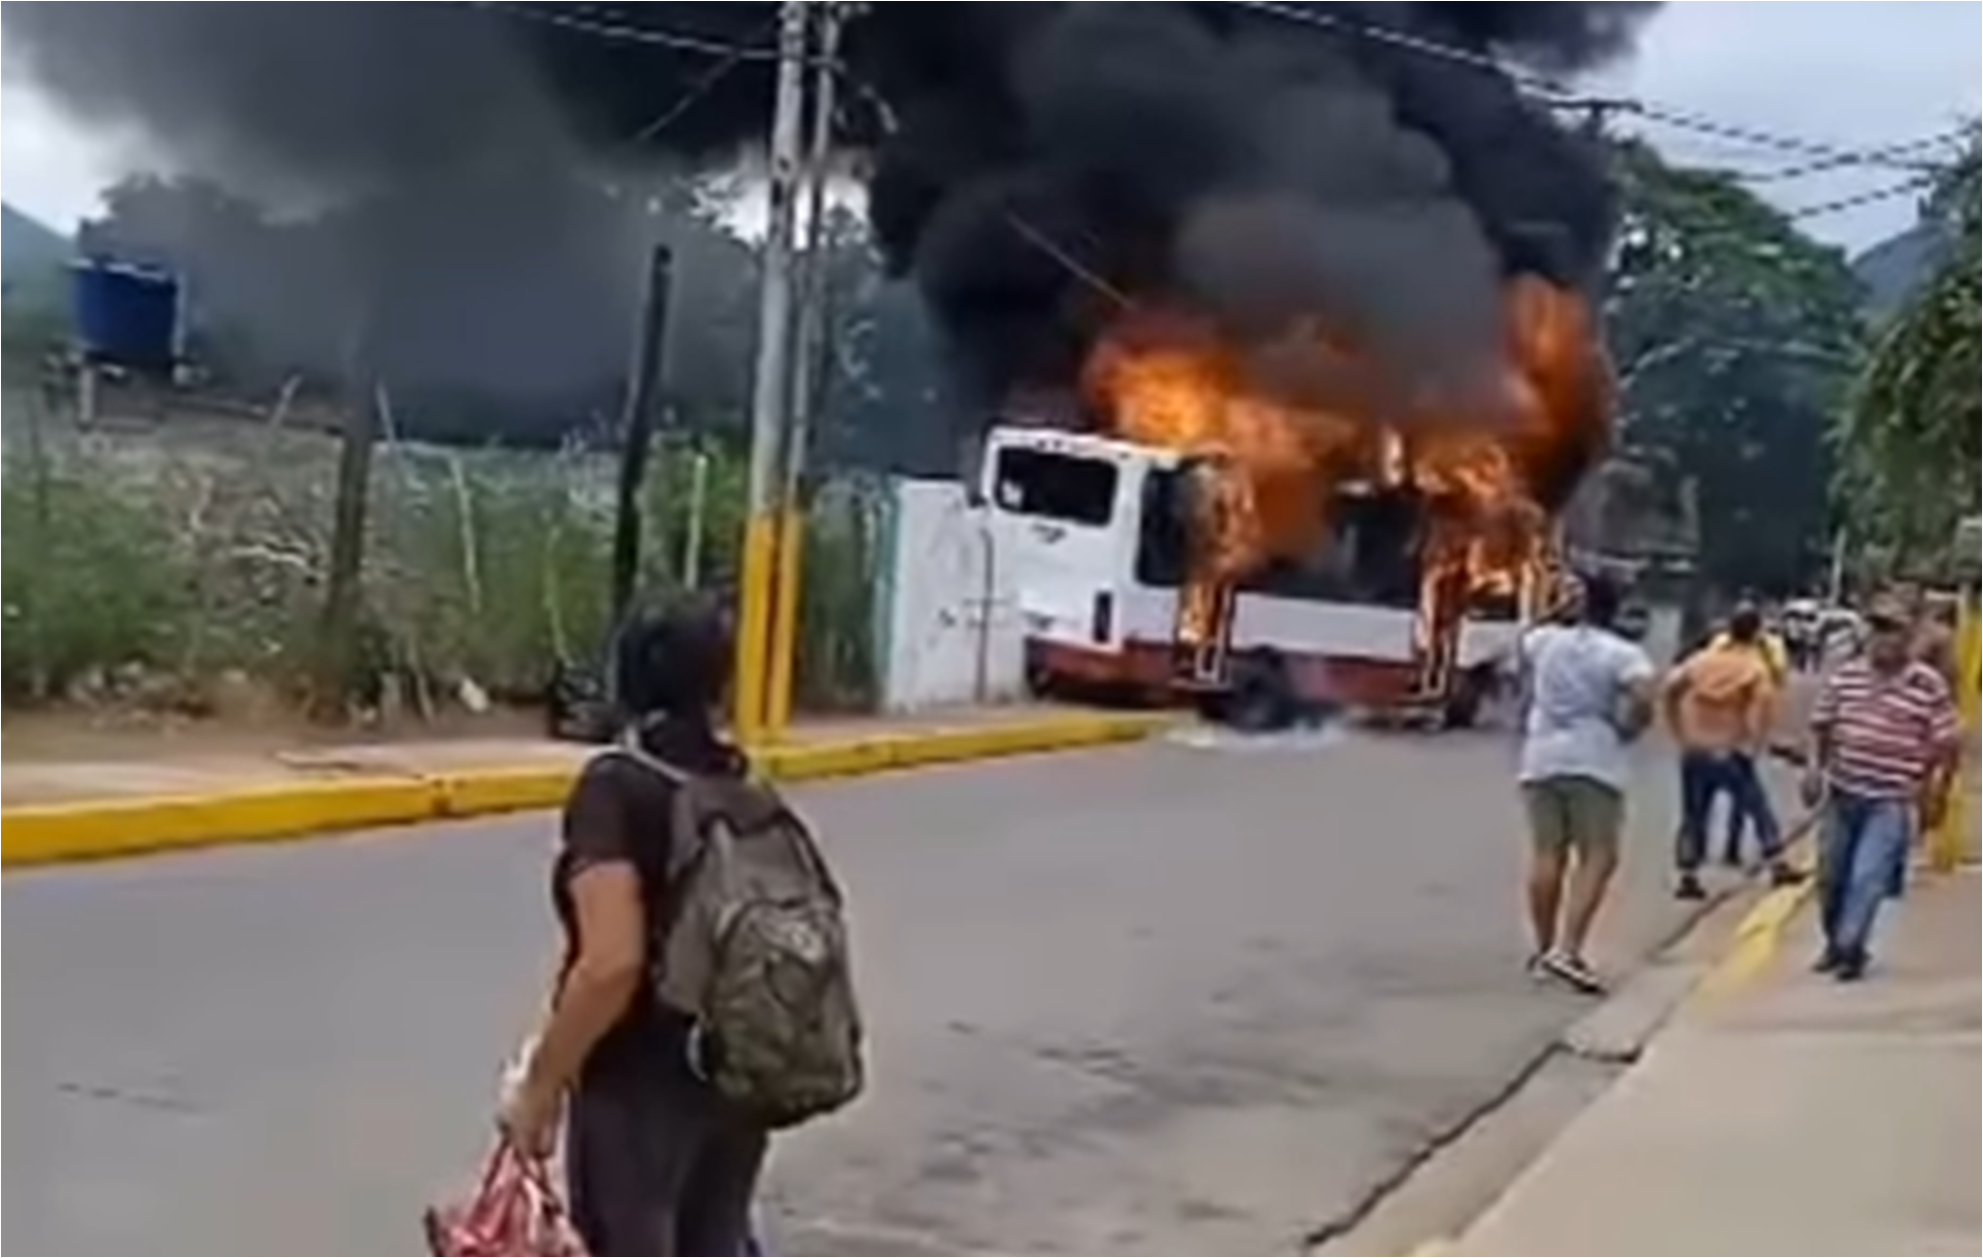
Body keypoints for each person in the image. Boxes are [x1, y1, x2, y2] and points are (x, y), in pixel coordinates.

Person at [500, 605, 768, 1254]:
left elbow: (610, 964)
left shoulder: (617, 786)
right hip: (734, 1079)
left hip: (639, 1087)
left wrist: (541, 1085)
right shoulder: (742, 786)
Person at [1803, 595, 1961, 982]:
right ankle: (1835, 942)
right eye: (1878, 629)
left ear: (1908, 638)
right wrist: (1813, 769)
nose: (1883, 639)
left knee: (1867, 877)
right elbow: (1821, 726)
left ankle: (1852, 947)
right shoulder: (1847, 677)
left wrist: (1937, 791)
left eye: (1892, 630)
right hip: (1843, 792)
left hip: (1889, 799)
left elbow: (1948, 742)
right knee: (1831, 877)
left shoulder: (1926, 685)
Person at [1516, 572, 1659, 994]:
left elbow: (1524, 639)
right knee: (1598, 855)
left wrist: (1556, 611)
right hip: (1594, 758)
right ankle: (1569, 947)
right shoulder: (1622, 653)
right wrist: (1630, 728)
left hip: (1541, 758)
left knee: (1547, 854)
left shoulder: (1546, 642)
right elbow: (1646, 696)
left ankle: (1543, 951)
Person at [1665, 608, 1801, 897]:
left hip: (1696, 747)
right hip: (1730, 750)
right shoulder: (1753, 669)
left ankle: (1688, 875)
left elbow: (1671, 689)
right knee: (1758, 808)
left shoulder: (1702, 661)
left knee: (1694, 814)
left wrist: (1678, 729)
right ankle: (1777, 863)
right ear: (1756, 633)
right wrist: (1760, 745)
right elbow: (1758, 713)